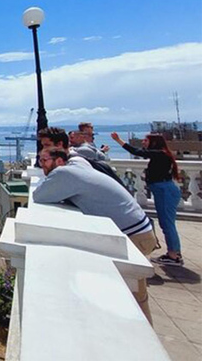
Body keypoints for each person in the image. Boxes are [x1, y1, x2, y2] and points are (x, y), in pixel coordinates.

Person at [34, 147, 157, 322]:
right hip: (140, 230)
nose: (41, 165)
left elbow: (39, 195)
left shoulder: (64, 173)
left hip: (132, 237)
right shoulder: (79, 164)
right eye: (40, 161)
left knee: (133, 297)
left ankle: (146, 342)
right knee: (131, 293)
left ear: (60, 161)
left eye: (44, 160)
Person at [112, 132, 183, 266]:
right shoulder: (162, 154)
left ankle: (174, 255)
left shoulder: (160, 154)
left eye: (146, 140)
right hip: (164, 190)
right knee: (167, 223)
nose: (143, 142)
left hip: (164, 191)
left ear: (154, 142)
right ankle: (173, 253)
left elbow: (136, 151)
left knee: (167, 224)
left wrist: (118, 140)